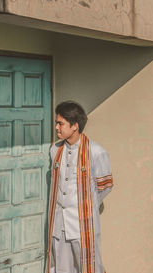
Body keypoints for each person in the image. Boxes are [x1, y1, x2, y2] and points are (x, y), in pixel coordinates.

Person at [46, 101, 113, 273]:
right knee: (60, 268)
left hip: (83, 223)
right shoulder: (55, 149)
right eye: (57, 123)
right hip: (59, 224)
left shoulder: (96, 151)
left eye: (60, 123)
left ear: (75, 126)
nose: (56, 127)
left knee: (89, 267)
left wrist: (85, 205)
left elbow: (105, 186)